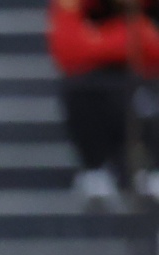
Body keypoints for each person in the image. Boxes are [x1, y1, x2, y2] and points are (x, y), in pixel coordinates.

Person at [50, 0, 159, 208]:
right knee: (83, 89)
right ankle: (98, 168)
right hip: (103, 84)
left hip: (148, 80)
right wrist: (133, 35)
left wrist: (100, 40)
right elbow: (69, 51)